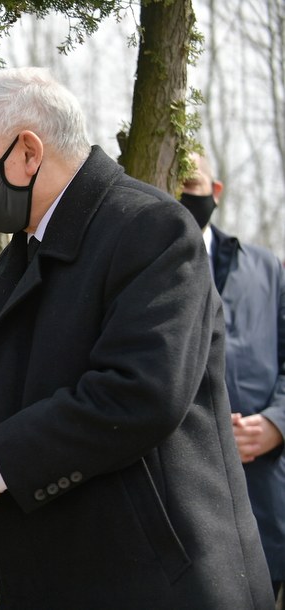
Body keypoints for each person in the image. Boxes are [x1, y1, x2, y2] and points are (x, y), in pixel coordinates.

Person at [0, 67, 273, 608]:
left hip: (156, 585)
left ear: (28, 152)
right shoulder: (8, 270)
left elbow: (140, 393)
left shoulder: (150, 230)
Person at [179, 152, 285, 604]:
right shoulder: (136, 268)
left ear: (215, 191)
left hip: (265, 497)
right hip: (185, 502)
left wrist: (277, 423)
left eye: (191, 183)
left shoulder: (267, 267)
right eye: (171, 185)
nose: (181, 196)